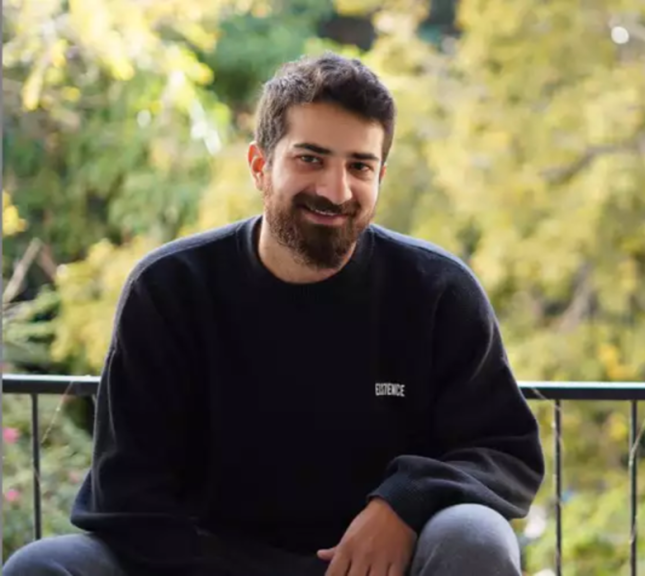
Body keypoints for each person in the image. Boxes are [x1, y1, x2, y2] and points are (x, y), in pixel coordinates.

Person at [4, 53, 545, 576]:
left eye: (359, 166)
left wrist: (406, 500)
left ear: (381, 174)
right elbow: (129, 495)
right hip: (198, 563)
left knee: (476, 533)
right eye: (310, 159)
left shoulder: (437, 291)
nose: (336, 190)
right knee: (41, 567)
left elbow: (504, 451)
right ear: (260, 166)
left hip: (376, 567)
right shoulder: (169, 289)